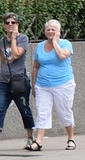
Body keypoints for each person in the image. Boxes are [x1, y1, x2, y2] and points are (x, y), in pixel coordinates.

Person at [30, 19, 75, 152]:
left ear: (58, 32)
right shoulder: (40, 46)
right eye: (48, 29)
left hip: (63, 84)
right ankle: (38, 141)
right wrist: (34, 85)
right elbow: (35, 66)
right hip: (43, 85)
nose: (50, 32)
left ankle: (70, 138)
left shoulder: (65, 44)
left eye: (53, 30)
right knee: (42, 112)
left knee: (64, 111)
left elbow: (62, 56)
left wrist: (55, 42)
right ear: (45, 32)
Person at [1, 12, 35, 149]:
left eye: (13, 22)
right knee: (0, 108)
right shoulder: (1, 41)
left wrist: (14, 38)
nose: (10, 25)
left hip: (19, 81)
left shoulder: (23, 38)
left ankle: (30, 138)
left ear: (17, 25)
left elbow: (15, 54)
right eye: (7, 23)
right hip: (3, 82)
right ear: (4, 25)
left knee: (24, 109)